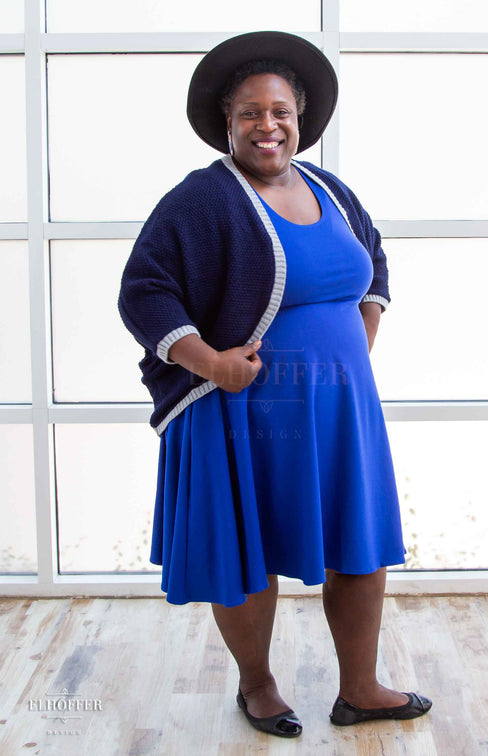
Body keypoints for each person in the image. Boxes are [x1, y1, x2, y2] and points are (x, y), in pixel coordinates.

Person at [118, 31, 432, 739]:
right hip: (245, 412)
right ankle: (257, 686)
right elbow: (144, 292)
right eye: (251, 113)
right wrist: (211, 363)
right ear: (227, 124)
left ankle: (360, 688)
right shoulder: (203, 200)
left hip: (341, 409)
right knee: (248, 550)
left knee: (359, 544)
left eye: (281, 111)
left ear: (300, 117)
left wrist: (363, 335)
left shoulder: (328, 187)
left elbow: (371, 261)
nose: (268, 125)